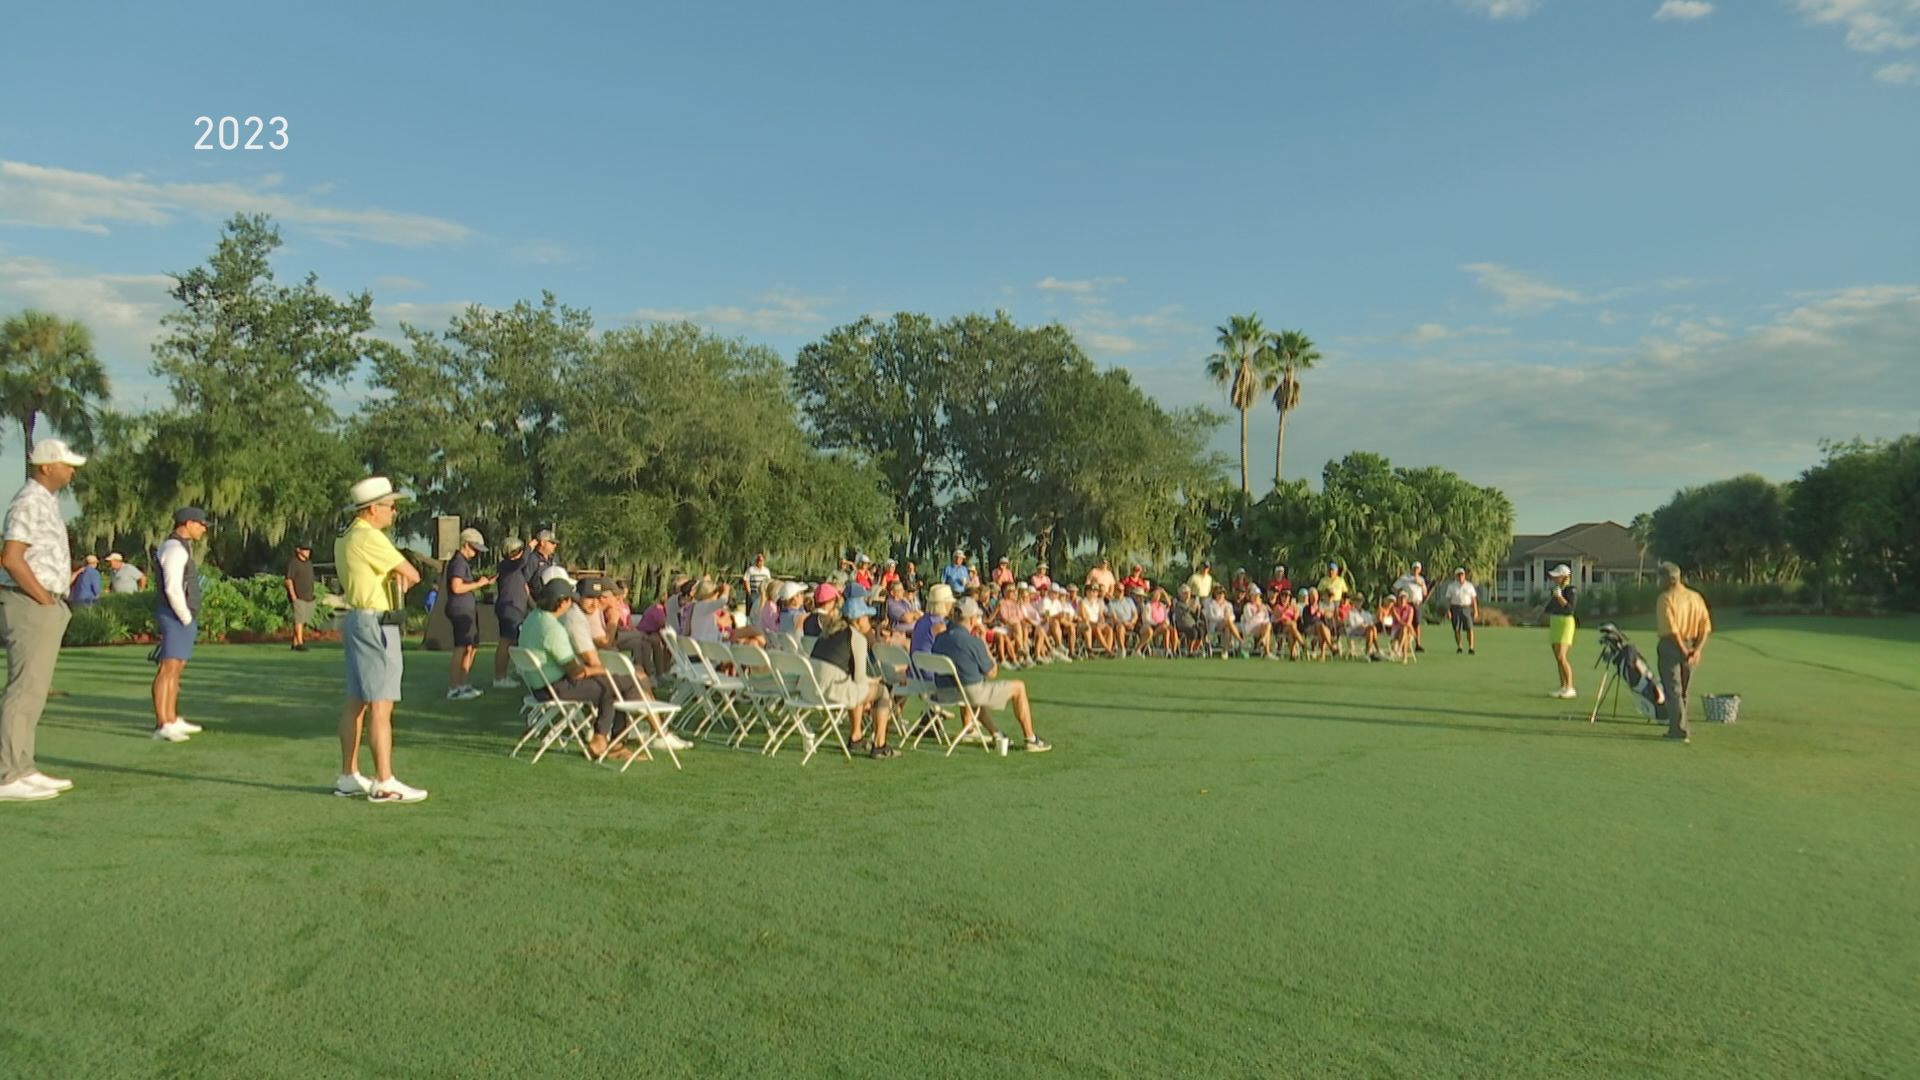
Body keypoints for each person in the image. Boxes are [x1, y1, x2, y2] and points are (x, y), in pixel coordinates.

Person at [0, 439, 87, 802]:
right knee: (24, 689)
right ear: (46, 466)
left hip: (44, 602)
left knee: (34, 689)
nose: (71, 471)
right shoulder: (28, 502)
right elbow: (11, 557)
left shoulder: (46, 502)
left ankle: (23, 765)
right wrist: (43, 597)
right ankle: (6, 774)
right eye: (66, 464)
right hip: (28, 604)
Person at [333, 476, 427, 804]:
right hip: (376, 622)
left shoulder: (345, 537)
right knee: (381, 703)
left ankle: (348, 774)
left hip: (357, 619)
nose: (394, 512)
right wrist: (398, 580)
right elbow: (413, 574)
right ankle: (385, 780)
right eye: (390, 506)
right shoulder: (370, 537)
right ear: (372, 509)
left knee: (356, 701)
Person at [931, 599, 1051, 753]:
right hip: (967, 693)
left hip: (943, 693)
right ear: (973, 619)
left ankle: (996, 733)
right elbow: (992, 672)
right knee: (1018, 687)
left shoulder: (940, 638)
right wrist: (984, 644)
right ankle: (1031, 738)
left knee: (973, 691)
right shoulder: (973, 641)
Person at [150, 506, 211, 743]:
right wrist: (185, 617)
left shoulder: (181, 547)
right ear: (187, 524)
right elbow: (172, 588)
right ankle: (163, 722)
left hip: (181, 615)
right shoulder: (174, 549)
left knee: (177, 668)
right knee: (168, 668)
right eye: (200, 524)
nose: (203, 529)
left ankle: (172, 718)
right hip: (174, 615)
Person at [811, 595, 896, 758]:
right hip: (830, 690)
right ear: (857, 621)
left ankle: (856, 736)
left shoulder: (828, 631)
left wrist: (869, 681)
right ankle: (880, 745)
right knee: (882, 691)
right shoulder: (856, 637)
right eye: (866, 617)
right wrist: (874, 681)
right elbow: (860, 679)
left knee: (858, 688)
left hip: (812, 688)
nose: (869, 621)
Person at [1654, 562, 1712, 744]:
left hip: (1673, 645)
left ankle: (1679, 730)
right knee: (1683, 690)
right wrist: (1697, 650)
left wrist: (1683, 650)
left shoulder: (1665, 598)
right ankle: (1678, 725)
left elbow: (1672, 630)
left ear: (1667, 579)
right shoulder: (1696, 597)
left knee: (1673, 689)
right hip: (1693, 643)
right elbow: (1706, 626)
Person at [443, 528, 495, 700]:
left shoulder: (463, 563)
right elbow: (456, 587)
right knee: (462, 647)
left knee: (471, 647)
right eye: (474, 548)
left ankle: (463, 684)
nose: (475, 553)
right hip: (459, 609)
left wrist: (484, 582)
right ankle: (454, 687)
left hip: (467, 609)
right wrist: (478, 584)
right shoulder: (458, 562)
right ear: (465, 544)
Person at [490, 536, 532, 689]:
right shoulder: (507, 565)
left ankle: (507, 674)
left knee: (513, 642)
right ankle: (500, 677)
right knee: (506, 642)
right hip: (509, 607)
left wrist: (532, 604)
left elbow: (524, 589)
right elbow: (523, 559)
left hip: (516, 608)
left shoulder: (516, 569)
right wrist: (529, 547)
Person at [1544, 564, 1579, 699]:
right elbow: (1550, 607)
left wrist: (1559, 597)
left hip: (1566, 623)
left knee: (1561, 656)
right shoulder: (1557, 589)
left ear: (1564, 576)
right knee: (1557, 658)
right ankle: (1563, 687)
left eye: (1557, 576)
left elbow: (1570, 609)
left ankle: (1570, 687)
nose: (1554, 578)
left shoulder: (1571, 590)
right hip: (1556, 623)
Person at [282, 541, 317, 652]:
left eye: (308, 550)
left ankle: (295, 642)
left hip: (308, 596)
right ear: (299, 550)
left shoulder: (309, 563)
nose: (307, 552)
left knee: (303, 620)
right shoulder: (293, 563)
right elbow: (288, 580)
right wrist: (293, 596)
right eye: (305, 550)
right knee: (299, 620)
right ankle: (300, 643)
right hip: (298, 596)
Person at [1439, 567, 1480, 655]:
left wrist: (1476, 610)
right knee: (1457, 628)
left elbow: (1473, 599)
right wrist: (1448, 611)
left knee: (1469, 628)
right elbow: (1448, 600)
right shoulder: (1451, 586)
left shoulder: (1469, 586)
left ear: (1464, 575)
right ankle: (1459, 647)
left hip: (1466, 608)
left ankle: (1471, 647)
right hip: (1455, 608)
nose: (1460, 576)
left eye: (1462, 575)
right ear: (1456, 576)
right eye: (1459, 575)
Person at [1392, 562, 1430, 653]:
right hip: (1407, 603)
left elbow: (1425, 592)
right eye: (1414, 568)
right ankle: (1405, 643)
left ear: (1420, 570)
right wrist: (1400, 597)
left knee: (1417, 624)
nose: (1416, 570)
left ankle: (1418, 644)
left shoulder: (1421, 579)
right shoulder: (1405, 578)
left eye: (1418, 568)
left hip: (1417, 603)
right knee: (1406, 622)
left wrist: (1420, 584)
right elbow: (1394, 588)